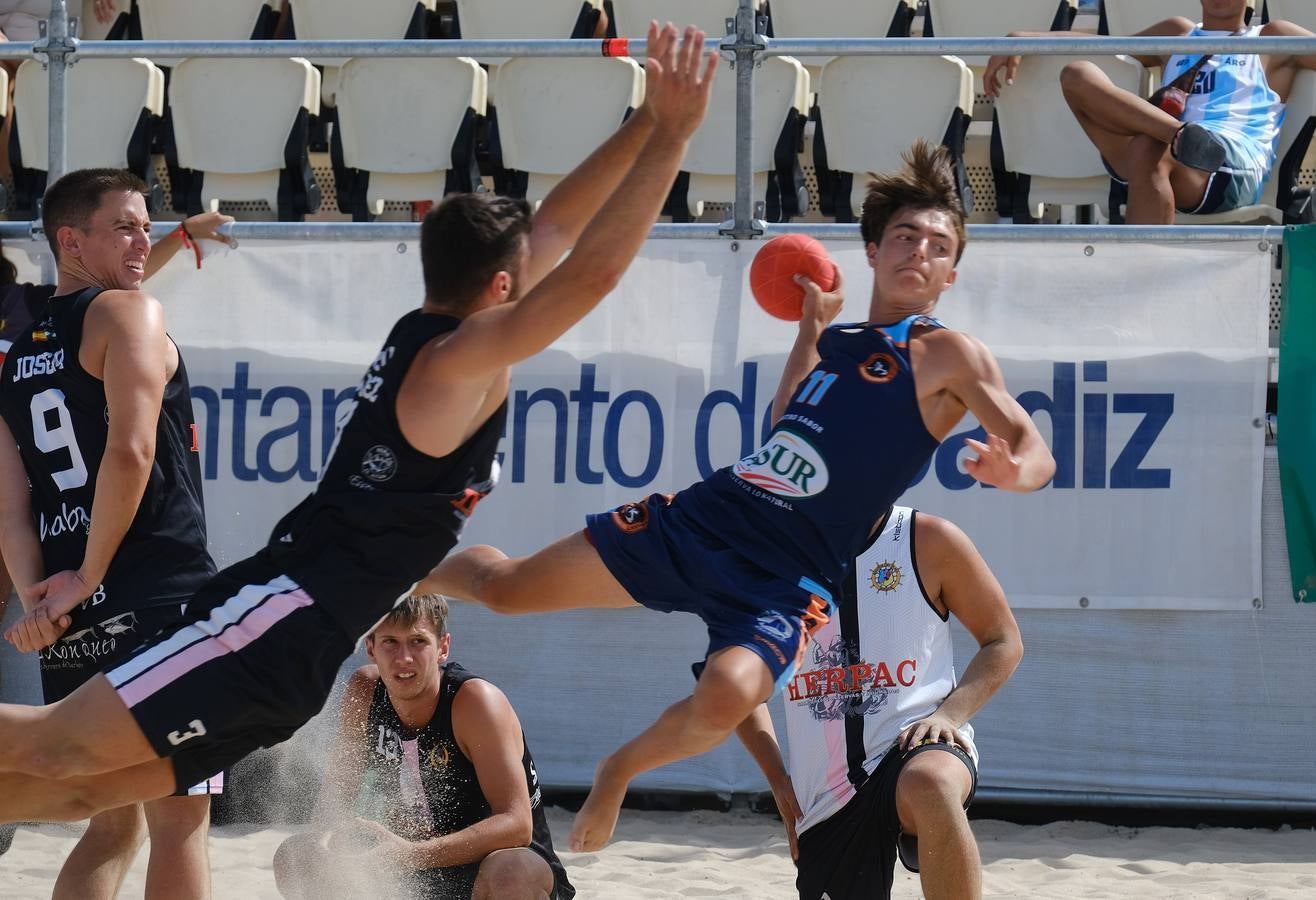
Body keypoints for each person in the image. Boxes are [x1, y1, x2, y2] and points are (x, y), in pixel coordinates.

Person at [0, 19, 717, 836]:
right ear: (506, 283)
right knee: (62, 751)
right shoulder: (457, 357)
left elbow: (555, 228)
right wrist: (674, 139)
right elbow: (592, 270)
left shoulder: (444, 331)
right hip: (272, 619)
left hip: (308, 646)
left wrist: (650, 122)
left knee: (91, 792)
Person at [419, 140, 1056, 853]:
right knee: (505, 589)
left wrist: (1014, 469)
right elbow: (788, 428)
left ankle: (617, 769)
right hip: (712, 516)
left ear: (952, 272)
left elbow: (1035, 449)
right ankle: (405, 569)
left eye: (939, 244)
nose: (921, 252)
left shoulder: (949, 354)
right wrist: (812, 330)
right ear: (873, 251)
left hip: (789, 575)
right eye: (905, 236)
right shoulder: (842, 341)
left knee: (728, 696)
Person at [0, 173, 228, 896]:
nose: (144, 238)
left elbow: (12, 509)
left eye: (148, 223)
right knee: (180, 815)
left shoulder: (16, 356)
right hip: (155, 592)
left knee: (109, 818)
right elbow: (132, 454)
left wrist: (44, 600)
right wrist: (91, 576)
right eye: (128, 226)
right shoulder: (130, 316)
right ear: (71, 240)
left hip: (70, 608)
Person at [735, 505, 1023, 900]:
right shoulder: (766, 557)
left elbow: (1003, 641)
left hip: (914, 745)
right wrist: (778, 779)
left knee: (931, 782)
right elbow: (733, 683)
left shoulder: (928, 538)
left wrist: (949, 715)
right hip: (827, 792)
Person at [273, 594, 574, 900]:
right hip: (406, 864)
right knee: (297, 855)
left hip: (485, 864)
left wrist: (413, 854)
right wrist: (331, 847)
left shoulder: (475, 702)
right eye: (390, 641)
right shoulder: (364, 690)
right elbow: (335, 800)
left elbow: (517, 826)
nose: (404, 658)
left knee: (511, 872)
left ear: (443, 647)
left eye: (418, 641)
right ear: (370, 648)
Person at [983, 0, 1316, 223]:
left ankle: (1138, 288)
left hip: (1228, 161)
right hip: (1166, 144)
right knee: (1077, 73)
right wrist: (1024, 38)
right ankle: (1179, 135)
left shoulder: (1272, 37)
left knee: (1148, 148)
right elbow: (1102, 49)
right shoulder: (1177, 32)